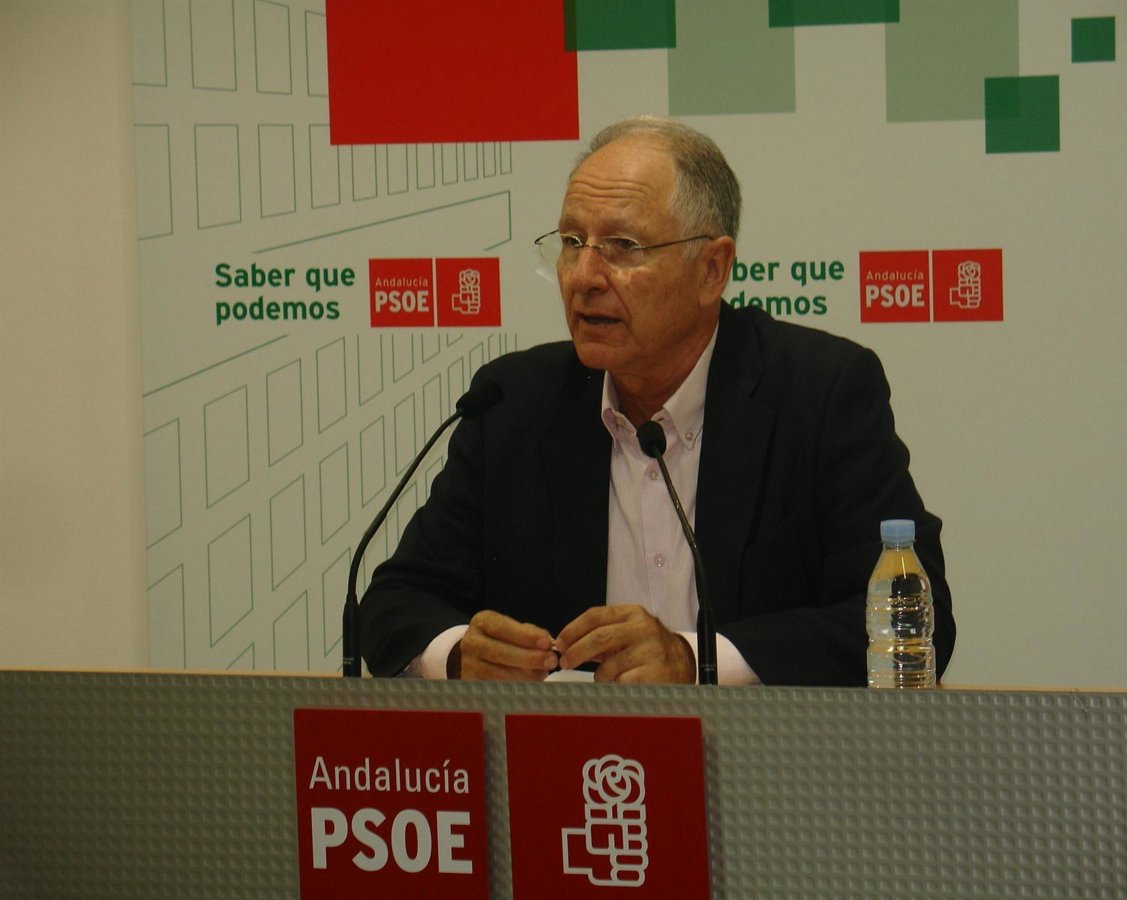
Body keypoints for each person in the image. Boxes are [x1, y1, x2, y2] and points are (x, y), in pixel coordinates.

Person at [360, 116, 954, 686]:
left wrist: (697, 660)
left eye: (623, 245)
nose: (584, 276)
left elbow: (913, 620)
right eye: (572, 242)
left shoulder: (820, 393)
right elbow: (394, 602)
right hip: (567, 754)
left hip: (767, 752)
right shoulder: (513, 403)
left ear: (712, 269)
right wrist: (460, 653)